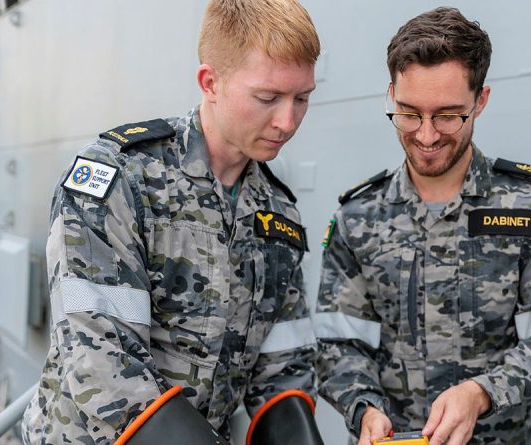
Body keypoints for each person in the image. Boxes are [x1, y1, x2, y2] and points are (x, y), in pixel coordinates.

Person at [21, 0, 321, 443]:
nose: (287, 121)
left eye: (302, 98)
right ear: (210, 81)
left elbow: (282, 361)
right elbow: (99, 355)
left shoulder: (277, 211)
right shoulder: (119, 179)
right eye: (268, 98)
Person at [314, 7, 531, 445]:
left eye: (448, 116)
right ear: (391, 94)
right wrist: (363, 408)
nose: (426, 136)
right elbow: (339, 343)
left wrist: (481, 392)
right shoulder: (357, 216)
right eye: (409, 113)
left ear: (480, 100)